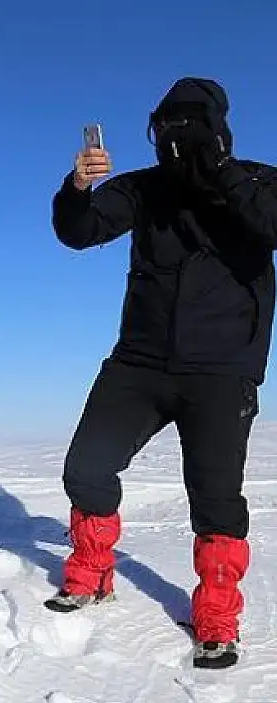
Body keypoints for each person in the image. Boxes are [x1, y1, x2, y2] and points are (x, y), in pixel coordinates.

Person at [47, 77, 277, 670]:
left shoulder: (256, 181)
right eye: (168, 124)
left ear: (218, 127)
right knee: (87, 467)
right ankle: (91, 572)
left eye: (190, 124)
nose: (177, 136)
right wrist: (78, 188)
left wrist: (222, 172)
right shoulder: (145, 189)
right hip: (139, 362)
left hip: (221, 371)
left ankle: (217, 616)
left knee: (215, 497)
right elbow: (80, 231)